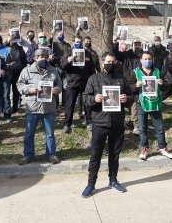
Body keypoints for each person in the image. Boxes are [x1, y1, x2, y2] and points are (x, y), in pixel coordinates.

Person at [81, 52, 133, 198]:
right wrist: (94, 98)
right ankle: (91, 184)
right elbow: (85, 98)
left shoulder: (121, 79)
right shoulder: (94, 78)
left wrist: (126, 99)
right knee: (95, 155)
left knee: (114, 155)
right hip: (100, 122)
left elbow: (131, 97)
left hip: (117, 122)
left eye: (113, 61)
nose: (111, 64)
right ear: (103, 62)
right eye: (108, 61)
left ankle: (113, 180)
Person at [17, 48, 62, 165]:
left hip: (48, 107)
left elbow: (59, 84)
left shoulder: (53, 71)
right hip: (33, 106)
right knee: (29, 133)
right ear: (35, 58)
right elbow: (19, 84)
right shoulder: (27, 70)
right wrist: (29, 89)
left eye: (45, 57)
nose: (43, 59)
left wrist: (57, 90)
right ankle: (28, 155)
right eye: (41, 57)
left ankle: (51, 154)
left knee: (50, 133)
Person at [132, 51, 172, 161]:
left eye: (149, 59)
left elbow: (166, 87)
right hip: (141, 103)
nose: (147, 61)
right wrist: (135, 85)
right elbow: (129, 88)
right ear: (140, 60)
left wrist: (163, 84)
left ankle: (163, 148)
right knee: (142, 128)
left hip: (155, 103)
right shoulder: (135, 72)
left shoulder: (157, 71)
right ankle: (144, 148)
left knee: (159, 127)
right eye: (145, 59)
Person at [61, 35, 96, 133]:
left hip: (85, 82)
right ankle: (67, 124)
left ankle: (89, 122)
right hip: (72, 82)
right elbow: (62, 66)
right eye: (77, 42)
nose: (79, 44)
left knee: (87, 103)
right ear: (73, 43)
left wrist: (92, 80)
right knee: (70, 104)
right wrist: (68, 60)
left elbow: (92, 69)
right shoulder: (68, 52)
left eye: (80, 42)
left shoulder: (87, 53)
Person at [113, 37, 143, 134]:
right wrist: (115, 42)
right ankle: (121, 123)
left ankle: (136, 125)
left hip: (138, 82)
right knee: (123, 101)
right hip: (126, 81)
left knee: (135, 102)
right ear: (132, 45)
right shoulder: (127, 54)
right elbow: (116, 54)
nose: (137, 46)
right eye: (135, 44)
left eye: (139, 44)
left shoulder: (143, 55)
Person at [50, 31, 71, 107]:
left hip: (65, 67)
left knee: (65, 86)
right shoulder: (54, 44)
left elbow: (70, 53)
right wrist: (51, 35)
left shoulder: (67, 45)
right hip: (56, 67)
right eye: (59, 35)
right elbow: (49, 43)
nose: (61, 36)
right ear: (56, 36)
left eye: (62, 34)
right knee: (56, 85)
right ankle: (56, 104)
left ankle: (64, 104)